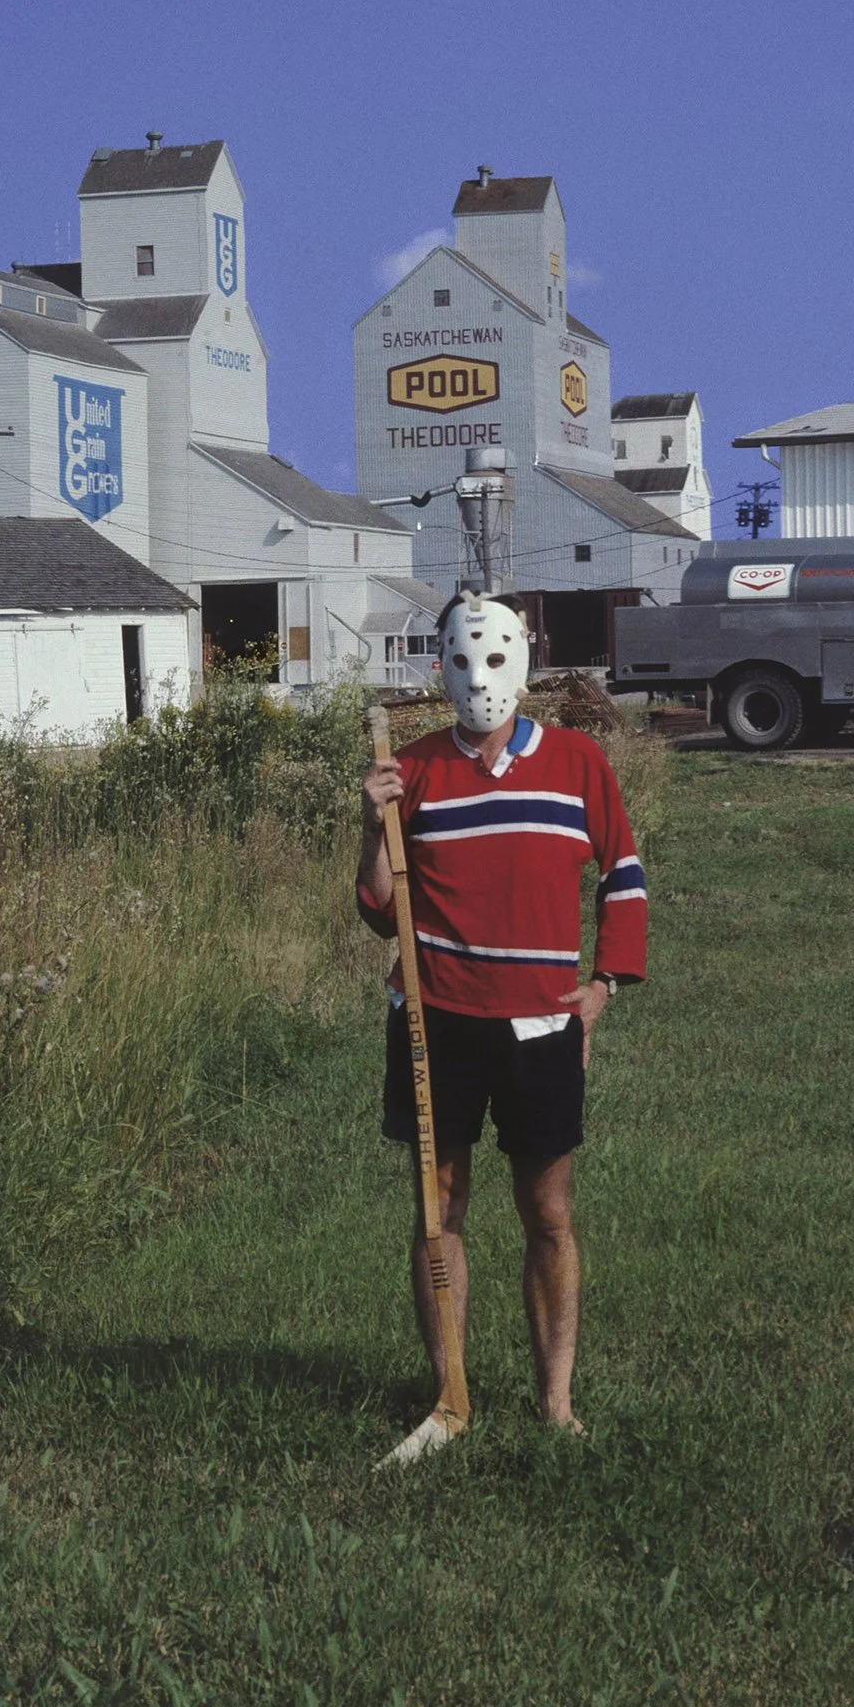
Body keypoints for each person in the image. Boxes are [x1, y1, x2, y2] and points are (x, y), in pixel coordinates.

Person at [357, 591, 647, 1431]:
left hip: (540, 1025)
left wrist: (604, 986)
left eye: (494, 658)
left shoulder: (578, 762)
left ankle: (555, 1401)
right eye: (461, 659)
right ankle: (452, 1393)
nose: (480, 678)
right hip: (435, 1018)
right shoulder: (407, 770)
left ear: (523, 656)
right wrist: (374, 824)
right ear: (438, 665)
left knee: (547, 1210)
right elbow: (379, 908)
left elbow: (621, 874)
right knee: (438, 1208)